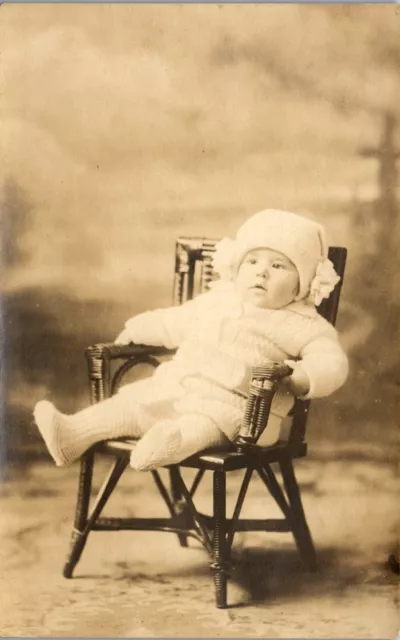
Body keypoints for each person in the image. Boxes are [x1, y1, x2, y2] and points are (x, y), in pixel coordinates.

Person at [34, 208, 348, 471]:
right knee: (132, 402)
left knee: (200, 426)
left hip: (238, 410)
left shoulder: (302, 323)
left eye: (277, 266)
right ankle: (73, 434)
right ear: (237, 268)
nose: (261, 273)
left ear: (302, 284)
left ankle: (166, 446)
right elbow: (175, 322)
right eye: (252, 262)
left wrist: (305, 377)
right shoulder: (216, 301)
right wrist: (140, 328)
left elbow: (330, 360)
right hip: (178, 388)